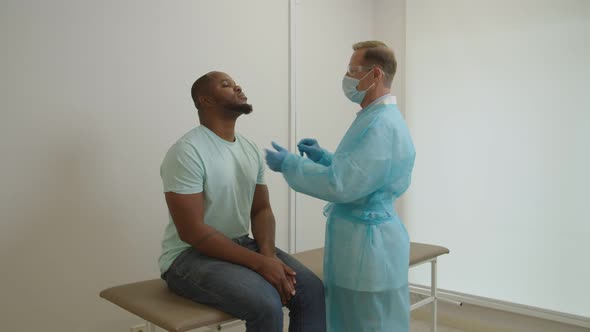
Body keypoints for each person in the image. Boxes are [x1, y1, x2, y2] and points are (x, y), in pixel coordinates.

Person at [265, 41, 416, 331]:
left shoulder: (381, 124)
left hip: (367, 249)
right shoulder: (377, 118)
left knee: (365, 323)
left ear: (374, 74)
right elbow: (365, 173)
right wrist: (324, 157)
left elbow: (342, 184)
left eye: (352, 71)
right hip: (369, 241)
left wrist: (290, 165)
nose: (347, 79)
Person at [159, 71, 326, 332]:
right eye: (226, 85)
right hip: (188, 257)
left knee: (312, 291)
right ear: (206, 100)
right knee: (266, 302)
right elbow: (191, 231)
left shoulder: (248, 148)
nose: (237, 88)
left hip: (240, 244)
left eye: (237, 84)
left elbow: (261, 209)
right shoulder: (187, 151)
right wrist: (260, 263)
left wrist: (268, 255)